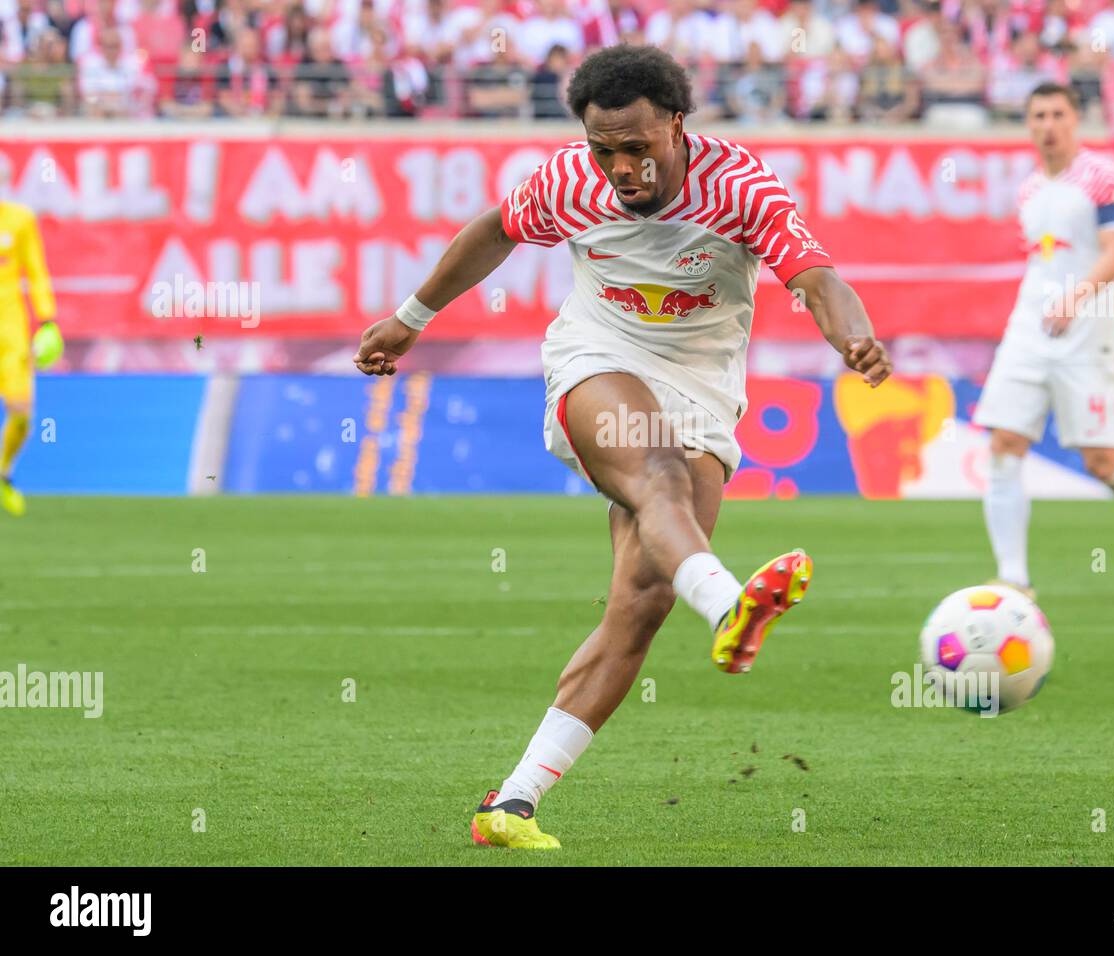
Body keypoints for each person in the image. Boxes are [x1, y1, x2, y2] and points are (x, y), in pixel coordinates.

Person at [351, 45, 891, 849]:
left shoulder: (740, 188)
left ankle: (513, 804)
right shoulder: (571, 181)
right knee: (659, 475)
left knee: (640, 606)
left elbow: (815, 277)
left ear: (677, 125)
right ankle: (730, 604)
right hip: (598, 362)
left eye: (638, 147)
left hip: (704, 391)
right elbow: (496, 230)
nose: (621, 167)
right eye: (606, 150)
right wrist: (411, 317)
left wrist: (856, 339)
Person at [973, 82, 1114, 605]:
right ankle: (1014, 580)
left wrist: (1075, 298)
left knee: (1103, 462)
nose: (1047, 124)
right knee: (1004, 444)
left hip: (1087, 332)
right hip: (1029, 331)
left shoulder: (1101, 178)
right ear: (1027, 124)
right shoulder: (1029, 190)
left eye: (1057, 114)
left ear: (1075, 120)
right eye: (1037, 116)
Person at [0, 192, 57, 517]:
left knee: (21, 412)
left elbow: (36, 271)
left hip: (10, 333)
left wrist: (47, 320)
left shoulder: (19, 220)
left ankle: (4, 472)